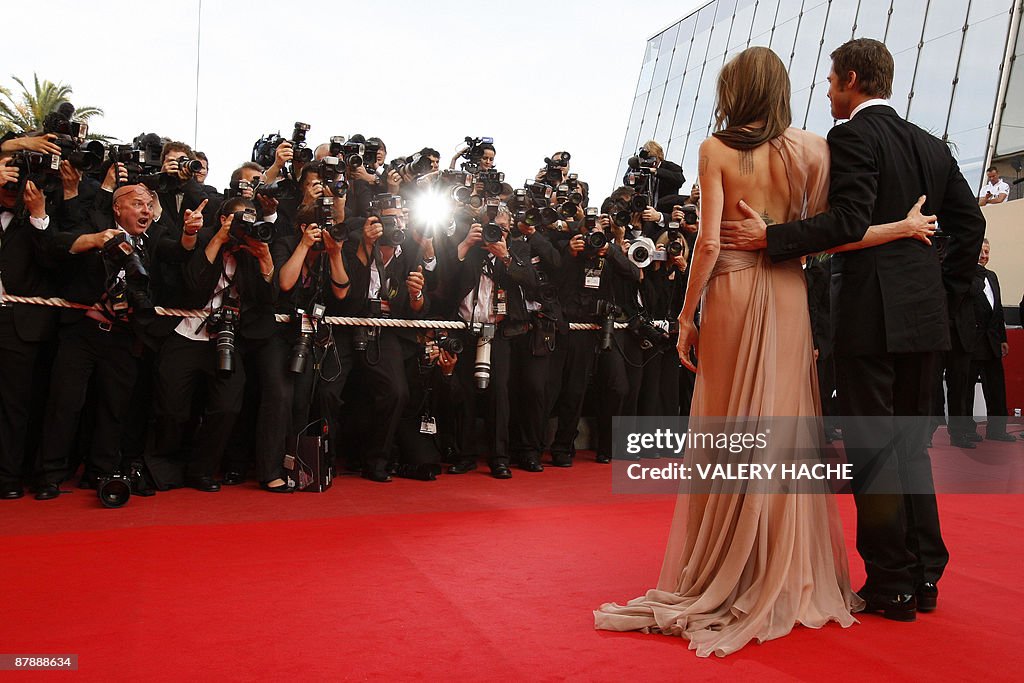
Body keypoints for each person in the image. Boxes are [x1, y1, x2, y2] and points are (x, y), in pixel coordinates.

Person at [594, 45, 936, 657]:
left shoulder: (715, 150)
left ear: (735, 90)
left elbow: (706, 243)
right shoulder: (812, 148)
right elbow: (844, 230)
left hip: (729, 291)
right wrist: (903, 228)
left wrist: (685, 314)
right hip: (788, 295)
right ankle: (785, 573)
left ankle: (730, 568)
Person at [717, 39, 986, 621]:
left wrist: (773, 238)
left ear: (854, 79)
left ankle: (891, 583)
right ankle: (924, 575)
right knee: (912, 448)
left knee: (873, 451)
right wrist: (946, 291)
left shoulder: (854, 137)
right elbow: (970, 223)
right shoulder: (933, 145)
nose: (829, 92)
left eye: (833, 81)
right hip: (924, 321)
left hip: (870, 321)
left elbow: (848, 220)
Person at [970, 239, 1016, 441]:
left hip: (993, 343)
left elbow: (997, 311)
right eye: (980, 251)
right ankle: (966, 431)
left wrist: (1003, 338)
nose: (984, 255)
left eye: (987, 251)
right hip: (971, 344)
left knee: (997, 389)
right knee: (965, 390)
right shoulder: (965, 277)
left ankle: (997, 431)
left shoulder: (993, 276)